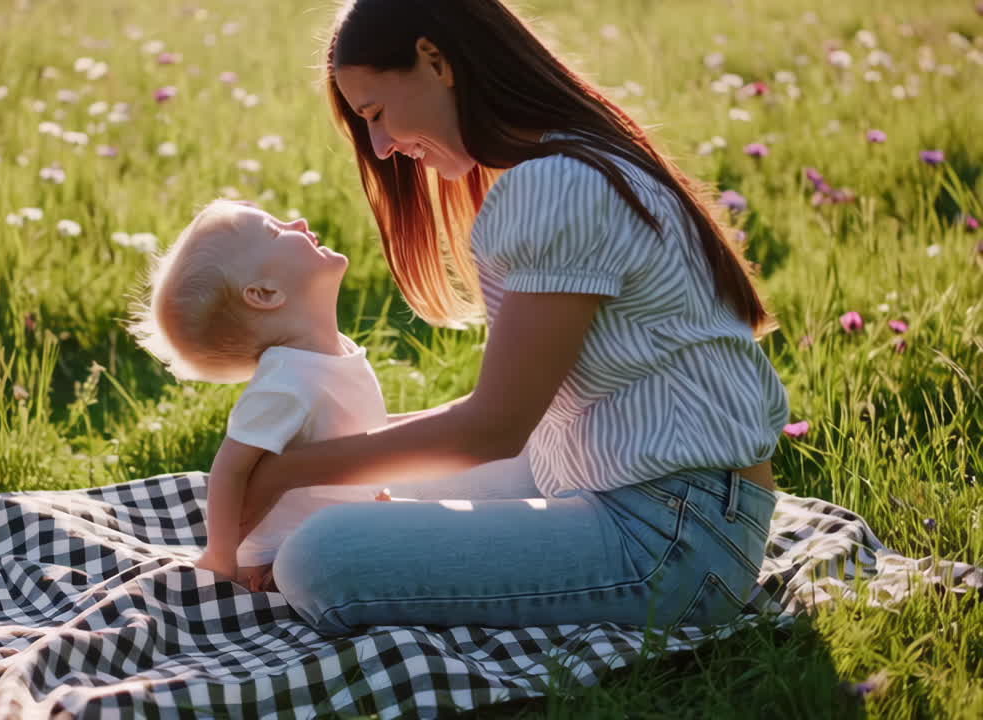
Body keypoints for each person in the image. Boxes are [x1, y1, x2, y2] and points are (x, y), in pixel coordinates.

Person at [233, 0, 790, 637]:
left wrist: (290, 470)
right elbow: (509, 420)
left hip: (673, 539)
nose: (382, 147)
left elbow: (493, 427)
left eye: (376, 114)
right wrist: (309, 464)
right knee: (348, 495)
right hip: (630, 483)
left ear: (436, 60)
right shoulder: (573, 161)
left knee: (318, 556)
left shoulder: (555, 186)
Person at [127, 199, 393, 592]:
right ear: (265, 293)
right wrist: (222, 555)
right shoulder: (287, 381)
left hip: (341, 520)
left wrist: (372, 491)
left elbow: (348, 433)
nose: (299, 220)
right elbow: (230, 469)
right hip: (289, 552)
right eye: (276, 230)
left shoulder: (333, 350)